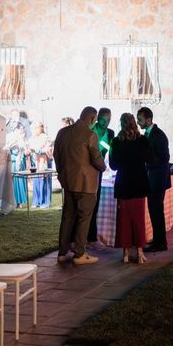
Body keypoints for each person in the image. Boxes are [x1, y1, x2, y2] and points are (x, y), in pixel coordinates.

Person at [53, 106, 106, 265]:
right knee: (84, 219)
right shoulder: (90, 135)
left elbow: (57, 155)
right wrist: (104, 167)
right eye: (95, 120)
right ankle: (80, 254)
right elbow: (96, 159)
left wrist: (61, 174)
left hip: (68, 182)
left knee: (68, 218)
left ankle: (62, 252)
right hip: (86, 184)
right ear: (92, 119)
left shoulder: (62, 132)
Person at [110, 113, 152, 264]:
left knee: (124, 220)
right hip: (139, 183)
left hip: (124, 183)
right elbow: (148, 159)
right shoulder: (142, 140)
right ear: (134, 123)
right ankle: (140, 252)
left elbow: (113, 165)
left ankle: (126, 253)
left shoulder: (116, 141)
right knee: (139, 219)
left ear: (121, 124)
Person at [137, 107, 171, 252]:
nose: (138, 123)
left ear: (149, 119)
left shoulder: (159, 135)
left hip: (157, 178)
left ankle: (161, 242)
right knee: (153, 209)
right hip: (152, 178)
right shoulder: (147, 134)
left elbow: (164, 158)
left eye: (140, 120)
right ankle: (157, 240)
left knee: (157, 209)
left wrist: (147, 163)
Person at [84, 108, 115, 250]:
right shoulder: (90, 131)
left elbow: (111, 151)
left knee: (95, 203)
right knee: (87, 204)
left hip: (102, 169)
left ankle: (92, 237)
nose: (106, 123)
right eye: (103, 119)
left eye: (108, 120)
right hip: (88, 169)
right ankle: (86, 237)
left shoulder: (110, 133)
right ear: (97, 119)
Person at [28, 121, 53, 208]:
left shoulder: (46, 138)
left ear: (41, 128)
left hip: (44, 162)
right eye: (34, 128)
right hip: (35, 162)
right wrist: (33, 149)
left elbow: (47, 149)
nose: (35, 130)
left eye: (37, 128)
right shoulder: (32, 138)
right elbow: (30, 148)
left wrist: (36, 149)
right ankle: (36, 201)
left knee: (44, 182)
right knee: (36, 181)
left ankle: (45, 202)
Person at [6, 122, 28, 208]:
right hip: (14, 162)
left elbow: (25, 150)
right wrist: (13, 143)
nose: (22, 130)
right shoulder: (10, 137)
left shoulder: (22, 138)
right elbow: (7, 148)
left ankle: (20, 201)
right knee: (15, 181)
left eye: (22, 128)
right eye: (21, 128)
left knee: (21, 181)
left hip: (21, 161)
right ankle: (14, 201)